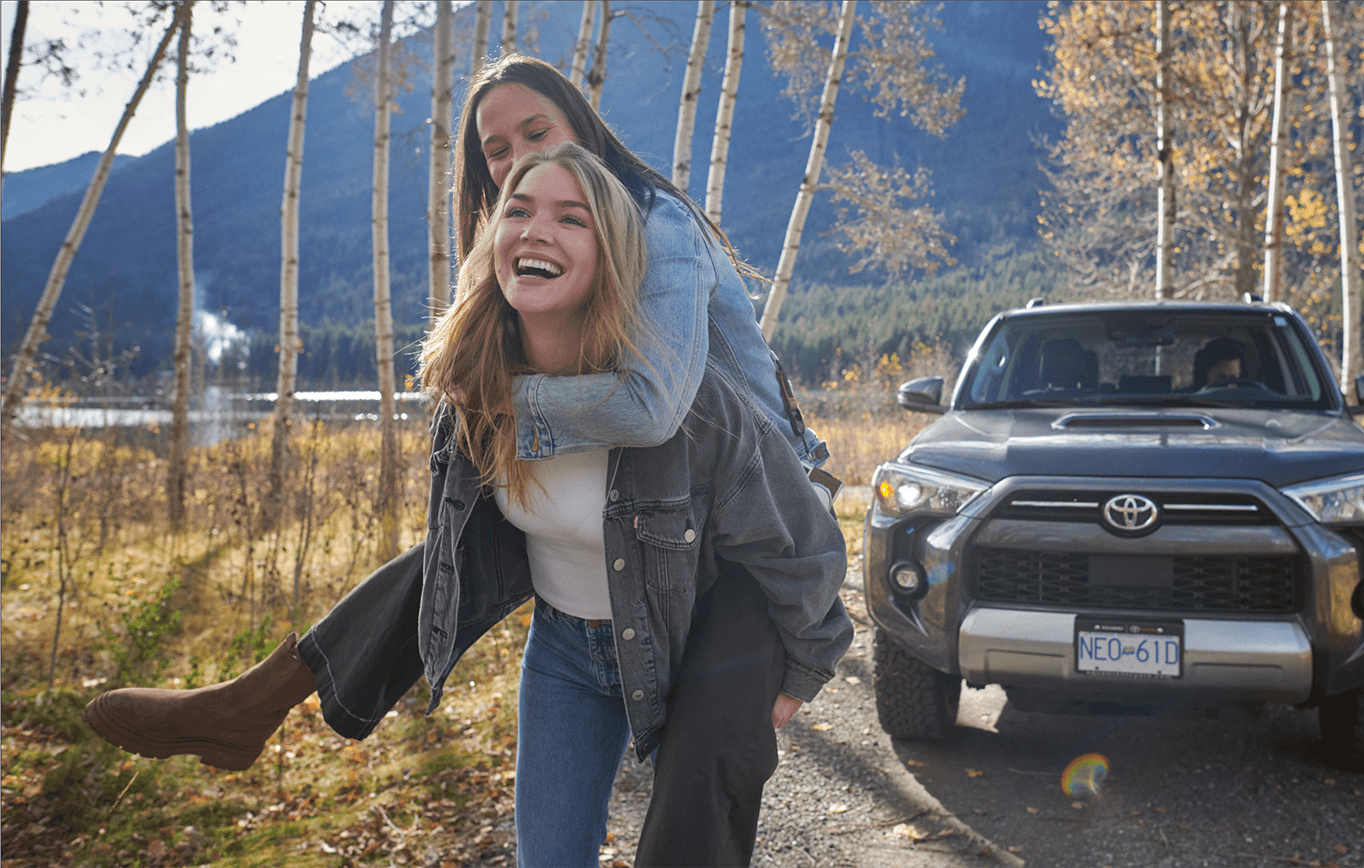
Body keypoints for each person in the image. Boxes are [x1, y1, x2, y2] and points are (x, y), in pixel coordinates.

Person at [83, 56, 838, 866]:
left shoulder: (656, 228)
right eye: (499, 156)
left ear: (585, 135)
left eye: (537, 134)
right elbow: (452, 548)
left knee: (694, 819)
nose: (517, 161)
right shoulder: (500, 349)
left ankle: (254, 701)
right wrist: (488, 389)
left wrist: (807, 653)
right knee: (449, 552)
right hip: (584, 612)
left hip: (735, 533)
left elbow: (657, 414)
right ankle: (255, 701)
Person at [418, 143, 849, 865]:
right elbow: (450, 542)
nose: (534, 229)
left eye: (570, 217)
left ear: (610, 256)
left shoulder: (691, 404)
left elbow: (804, 547)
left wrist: (797, 677)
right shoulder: (473, 394)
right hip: (562, 653)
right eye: (517, 211)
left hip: (694, 646)